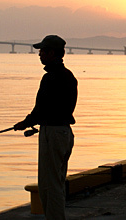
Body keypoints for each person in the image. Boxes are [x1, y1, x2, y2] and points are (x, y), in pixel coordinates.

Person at [13, 35, 77, 220]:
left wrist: (25, 123)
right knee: (56, 182)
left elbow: (41, 109)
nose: (39, 54)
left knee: (49, 186)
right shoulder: (69, 76)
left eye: (42, 51)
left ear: (51, 53)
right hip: (65, 133)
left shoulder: (50, 78)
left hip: (53, 133)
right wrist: (30, 121)